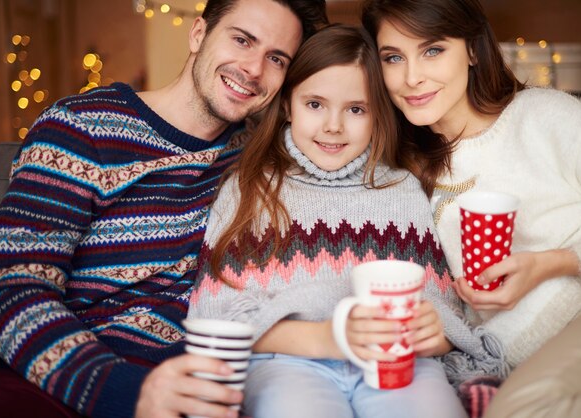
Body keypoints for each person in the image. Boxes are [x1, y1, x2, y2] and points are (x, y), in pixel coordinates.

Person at [0, 1, 328, 418]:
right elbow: (12, 292)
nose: (254, 69)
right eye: (242, 40)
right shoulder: (81, 127)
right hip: (58, 380)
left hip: (193, 385)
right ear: (199, 34)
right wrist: (129, 391)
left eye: (276, 58)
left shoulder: (257, 156)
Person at [187, 23, 510, 418]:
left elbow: (442, 312)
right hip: (286, 362)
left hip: (395, 363)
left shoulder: (402, 191)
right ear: (288, 105)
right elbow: (215, 313)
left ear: (379, 116)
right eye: (315, 104)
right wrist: (330, 337)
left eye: (356, 109)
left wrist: (435, 334)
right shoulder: (249, 188)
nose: (333, 126)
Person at [361, 0, 581, 368]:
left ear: (473, 51)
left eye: (433, 50)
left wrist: (553, 264)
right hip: (494, 365)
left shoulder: (546, 118)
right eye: (393, 58)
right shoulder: (401, 173)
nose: (411, 77)